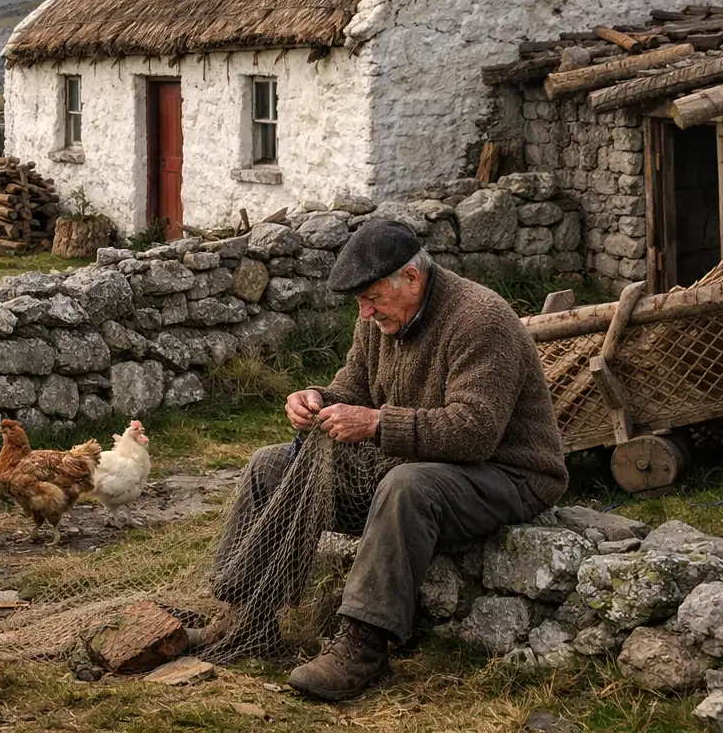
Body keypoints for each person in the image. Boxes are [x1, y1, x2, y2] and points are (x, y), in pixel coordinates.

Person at [231, 220, 568, 701]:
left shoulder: (481, 319)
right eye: (359, 302)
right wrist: (317, 399)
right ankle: (248, 616)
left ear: (411, 278)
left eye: (371, 298)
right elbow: (353, 386)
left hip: (509, 475)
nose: (365, 312)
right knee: (271, 466)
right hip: (429, 466)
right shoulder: (380, 318)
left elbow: (474, 432)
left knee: (408, 486)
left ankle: (363, 645)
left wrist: (374, 423)